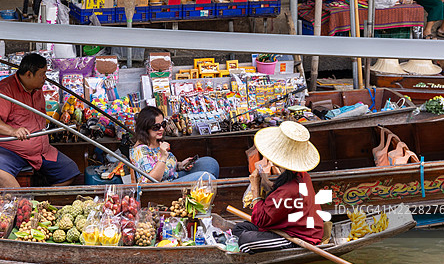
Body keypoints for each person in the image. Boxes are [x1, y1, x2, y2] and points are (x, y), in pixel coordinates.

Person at [223, 122, 323, 254]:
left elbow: (261, 221)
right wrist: (264, 183)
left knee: (245, 239)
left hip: (298, 237)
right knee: (239, 228)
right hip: (286, 226)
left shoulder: (290, 189)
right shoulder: (298, 175)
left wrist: (255, 189)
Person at [0, 53, 80, 187]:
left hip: (41, 152)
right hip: (8, 150)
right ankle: (22, 203)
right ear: (28, 74)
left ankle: (43, 202)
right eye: (42, 74)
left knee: (71, 172)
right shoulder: (4, 90)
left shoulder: (36, 88)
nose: (45, 78)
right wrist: (13, 131)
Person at [130, 106, 220, 183]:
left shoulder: (157, 142)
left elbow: (166, 167)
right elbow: (152, 180)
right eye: (156, 127)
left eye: (163, 124)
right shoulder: (141, 150)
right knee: (206, 178)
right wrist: (163, 156)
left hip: (174, 177)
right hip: (162, 187)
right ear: (145, 128)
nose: (161, 129)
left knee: (210, 163)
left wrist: (180, 165)